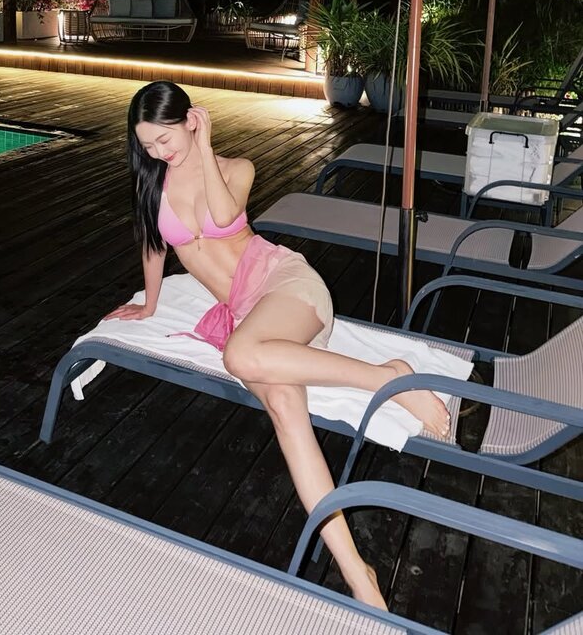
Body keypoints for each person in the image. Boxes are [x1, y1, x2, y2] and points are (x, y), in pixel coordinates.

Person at [107, 80, 450, 609]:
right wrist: (150, 304)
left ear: (191, 120)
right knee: (287, 411)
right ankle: (359, 574)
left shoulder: (236, 168)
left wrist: (204, 146)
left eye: (164, 139)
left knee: (239, 355)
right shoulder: (151, 182)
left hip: (285, 285)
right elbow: (154, 246)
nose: (156, 152)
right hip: (248, 316)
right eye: (146, 144)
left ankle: (389, 378)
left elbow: (225, 218)